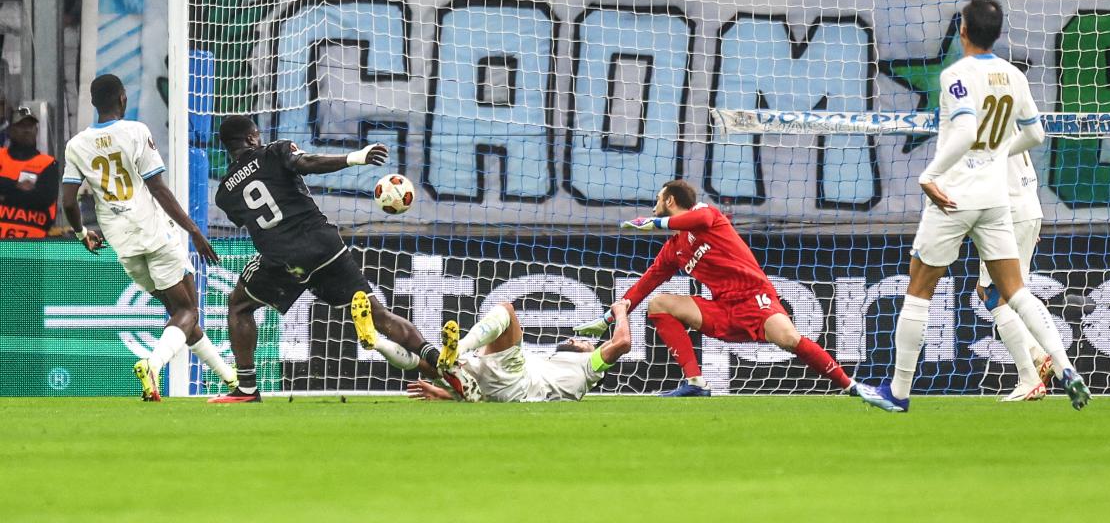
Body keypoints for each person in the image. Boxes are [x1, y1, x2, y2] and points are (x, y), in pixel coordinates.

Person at [873, 0, 1090, 413]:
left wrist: (929, 175)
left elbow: (966, 129)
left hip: (955, 196)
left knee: (920, 290)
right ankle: (1064, 368)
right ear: (998, 32)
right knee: (1014, 291)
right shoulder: (1013, 74)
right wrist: (1000, 151)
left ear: (963, 31)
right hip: (997, 199)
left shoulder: (956, 74)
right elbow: (1036, 135)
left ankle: (899, 392)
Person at [207, 115, 478, 403]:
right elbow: (306, 163)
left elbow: (248, 218)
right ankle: (440, 361)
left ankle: (247, 388)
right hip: (324, 245)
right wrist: (354, 157)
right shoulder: (275, 151)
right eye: (256, 135)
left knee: (240, 305)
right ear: (251, 138)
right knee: (380, 315)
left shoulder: (225, 194)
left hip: (284, 260)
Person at [573, 179, 893, 410]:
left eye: (658, 200)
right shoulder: (675, 249)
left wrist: (656, 222)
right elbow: (645, 284)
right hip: (724, 310)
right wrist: (606, 319)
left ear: (670, 200)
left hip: (756, 300)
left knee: (790, 340)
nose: (655, 205)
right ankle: (695, 383)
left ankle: (851, 387)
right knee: (660, 304)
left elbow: (695, 219)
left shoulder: (707, 215)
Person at [60, 75, 237, 401]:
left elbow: (69, 201)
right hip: (154, 234)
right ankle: (152, 366)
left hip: (122, 244)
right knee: (189, 312)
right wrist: (194, 231)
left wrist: (83, 233)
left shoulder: (76, 145)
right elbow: (158, 188)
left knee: (180, 315)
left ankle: (230, 378)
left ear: (93, 103)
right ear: (123, 99)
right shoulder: (136, 132)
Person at [407, 300, 631, 402]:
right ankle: (376, 340)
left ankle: (460, 347)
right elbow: (485, 393)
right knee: (422, 358)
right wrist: (445, 395)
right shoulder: (552, 366)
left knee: (507, 311)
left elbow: (622, 343)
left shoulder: (590, 369)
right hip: (503, 389)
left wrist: (620, 311)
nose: (575, 339)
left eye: (585, 344)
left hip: (516, 382)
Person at [977, 150, 1055, 402]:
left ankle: (1029, 378)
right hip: (1026, 209)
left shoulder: (980, 121)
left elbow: (979, 177)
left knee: (994, 295)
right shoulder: (1008, 117)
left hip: (1007, 214)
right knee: (991, 289)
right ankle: (1037, 356)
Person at [0, 106, 59, 238]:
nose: (27, 130)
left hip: (32, 248)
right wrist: (16, 185)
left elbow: (43, 199)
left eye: (30, 126)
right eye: (21, 126)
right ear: (10, 130)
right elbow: (30, 198)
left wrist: (4, 196)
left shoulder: (48, 164)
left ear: (36, 130)